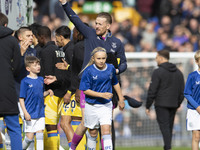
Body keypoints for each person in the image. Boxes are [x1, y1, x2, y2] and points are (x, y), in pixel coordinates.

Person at [59, 1, 127, 148]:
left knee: (105, 127)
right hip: (88, 88)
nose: (96, 26)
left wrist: (117, 71)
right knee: (88, 126)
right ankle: (73, 148)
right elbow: (74, 19)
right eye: (95, 23)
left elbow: (124, 64)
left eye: (100, 24)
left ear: (108, 26)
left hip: (106, 89)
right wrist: (65, 5)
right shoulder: (90, 34)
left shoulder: (116, 43)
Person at [69, 47, 124, 150]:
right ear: (93, 58)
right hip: (91, 105)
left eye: (103, 58)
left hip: (106, 105)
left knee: (106, 131)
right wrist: (102, 95)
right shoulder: (88, 71)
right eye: (99, 58)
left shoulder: (110, 68)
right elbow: (85, 90)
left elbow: (115, 83)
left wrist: (121, 98)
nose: (101, 61)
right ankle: (72, 147)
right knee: (93, 132)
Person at [37, 25, 71, 150]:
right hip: (61, 91)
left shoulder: (46, 51)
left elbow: (46, 73)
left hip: (51, 93)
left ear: (40, 37)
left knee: (50, 126)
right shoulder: (60, 49)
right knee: (54, 126)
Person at [145, 49, 185, 150]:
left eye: (157, 57)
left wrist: (148, 105)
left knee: (164, 127)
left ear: (161, 58)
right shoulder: (178, 72)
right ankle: (167, 146)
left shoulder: (157, 72)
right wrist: (178, 103)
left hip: (161, 104)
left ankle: (168, 147)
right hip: (174, 104)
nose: (156, 59)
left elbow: (152, 90)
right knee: (169, 127)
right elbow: (182, 90)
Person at [19, 56, 53, 150]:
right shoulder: (24, 81)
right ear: (28, 68)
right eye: (35, 65)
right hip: (30, 113)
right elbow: (21, 98)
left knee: (40, 135)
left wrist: (48, 91)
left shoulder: (41, 79)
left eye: (38, 64)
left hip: (40, 113)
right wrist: (25, 113)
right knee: (29, 138)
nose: (38, 66)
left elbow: (40, 94)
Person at [0, 12, 22, 150]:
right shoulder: (12, 40)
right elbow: (18, 65)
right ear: (6, 24)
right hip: (6, 85)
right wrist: (9, 73)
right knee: (14, 127)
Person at [184, 50, 200, 150]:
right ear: (197, 61)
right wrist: (197, 107)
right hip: (194, 111)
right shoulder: (192, 76)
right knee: (196, 137)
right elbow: (187, 93)